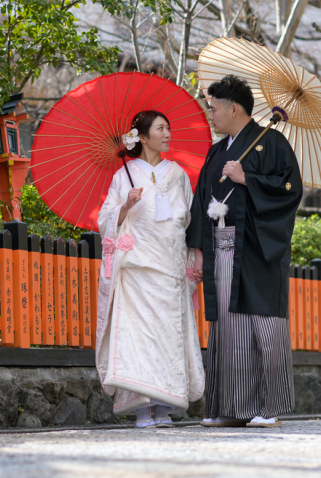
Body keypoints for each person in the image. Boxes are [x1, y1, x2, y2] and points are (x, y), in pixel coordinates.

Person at [186, 75, 303, 428]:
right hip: (220, 245)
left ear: (233, 108)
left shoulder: (273, 143)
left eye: (214, 108)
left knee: (262, 324)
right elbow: (200, 201)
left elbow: (290, 190)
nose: (211, 114)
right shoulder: (217, 150)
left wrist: (247, 178)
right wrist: (199, 248)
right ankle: (230, 407)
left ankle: (269, 407)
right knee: (228, 326)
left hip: (256, 247)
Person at [95, 110, 204, 429]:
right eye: (160, 129)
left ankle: (164, 406)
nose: (167, 133)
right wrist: (125, 205)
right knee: (138, 336)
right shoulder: (123, 175)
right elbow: (104, 221)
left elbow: (189, 219)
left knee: (167, 334)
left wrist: (193, 257)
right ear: (142, 138)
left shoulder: (178, 174)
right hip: (137, 267)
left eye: (168, 128)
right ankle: (142, 408)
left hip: (169, 266)